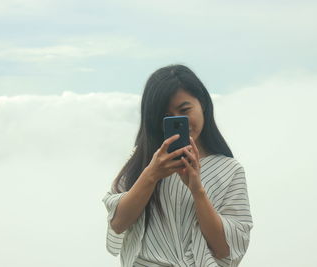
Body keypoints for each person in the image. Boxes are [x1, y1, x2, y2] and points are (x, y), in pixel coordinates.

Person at [102, 64, 253, 267]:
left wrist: (197, 189)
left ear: (203, 104)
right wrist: (152, 174)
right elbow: (118, 224)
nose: (178, 120)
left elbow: (225, 247)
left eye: (184, 110)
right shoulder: (142, 160)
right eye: (166, 117)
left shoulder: (230, 170)